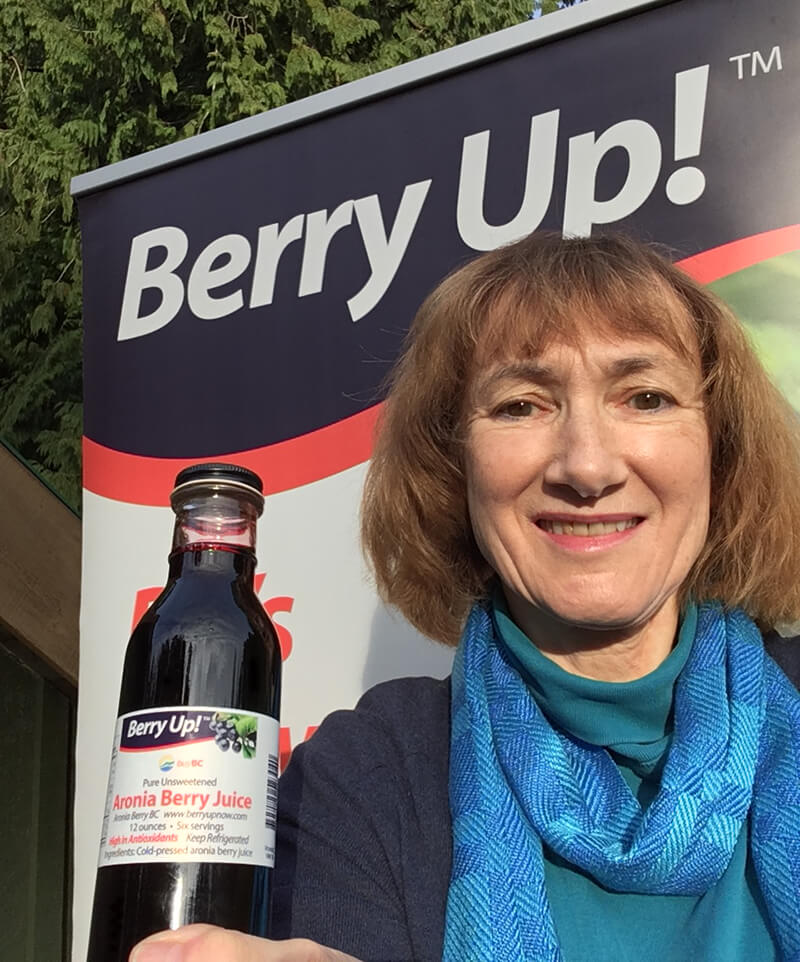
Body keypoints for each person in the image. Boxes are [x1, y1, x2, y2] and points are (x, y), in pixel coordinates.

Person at [130, 232, 800, 962]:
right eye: (520, 405)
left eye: (645, 396)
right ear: (454, 469)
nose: (587, 465)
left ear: (719, 449)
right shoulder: (362, 779)